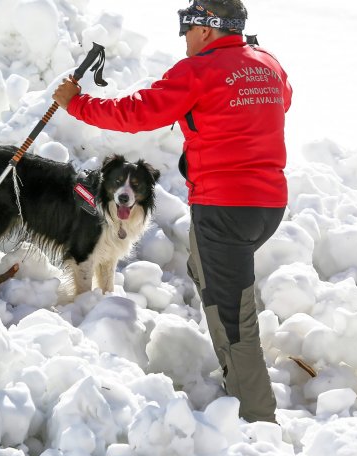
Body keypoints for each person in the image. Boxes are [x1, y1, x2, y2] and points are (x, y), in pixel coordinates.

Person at [53, 0, 292, 423]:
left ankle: (256, 417)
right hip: (267, 205)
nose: (183, 36)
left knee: (232, 314)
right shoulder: (268, 64)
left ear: (205, 28)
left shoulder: (198, 71)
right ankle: (239, 380)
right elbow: (281, 100)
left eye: (187, 26)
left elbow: (136, 113)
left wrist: (78, 104)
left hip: (225, 208)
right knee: (208, 274)